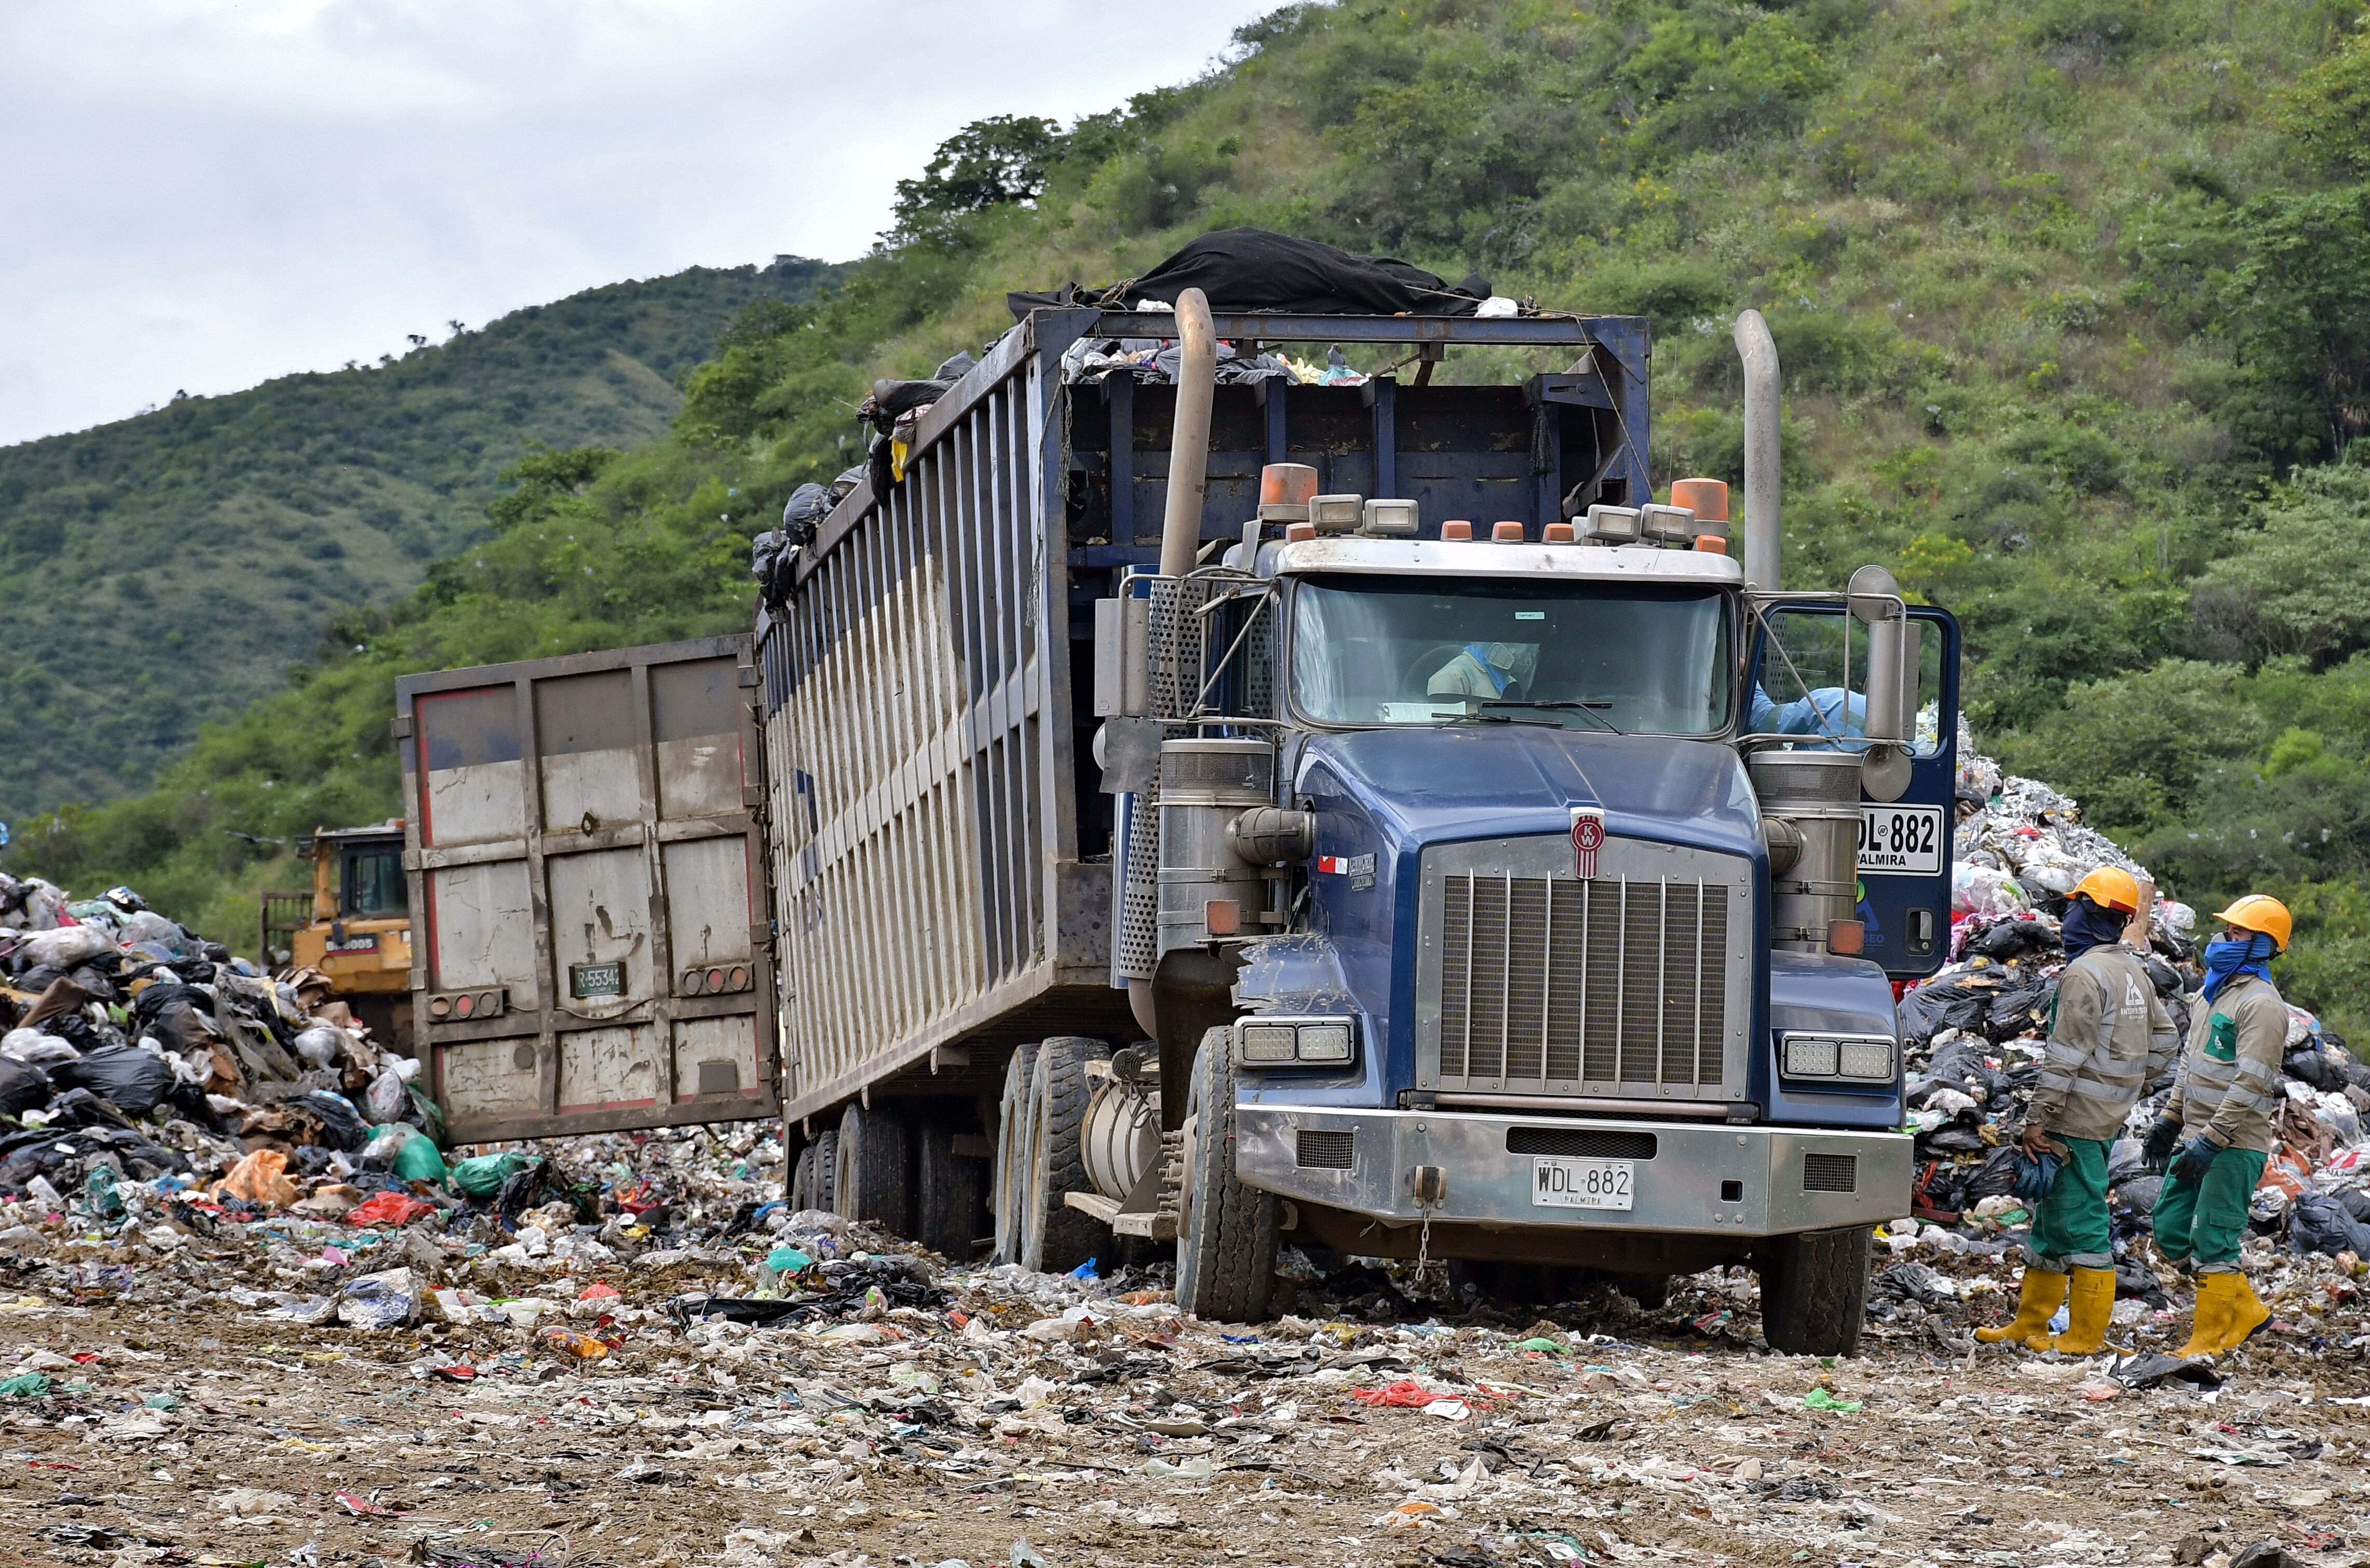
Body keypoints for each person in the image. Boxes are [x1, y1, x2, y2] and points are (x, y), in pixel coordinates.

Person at [1975, 867, 2175, 1352]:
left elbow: (2064, 1058)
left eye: (2074, 909)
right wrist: (2130, 1085)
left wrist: (2037, 1120)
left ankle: (2086, 1336)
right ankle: (2030, 1323)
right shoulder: (2133, 969)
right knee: (2049, 1224)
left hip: (2075, 1118)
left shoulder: (2084, 973)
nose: (2067, 920)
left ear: (2090, 913)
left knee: (2083, 1221)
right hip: (2104, 1114)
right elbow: (2167, 1040)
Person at [2143, 894, 2292, 1358]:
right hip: (2195, 1136)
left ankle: (2207, 1336)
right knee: (2168, 1228)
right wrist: (2170, 1118)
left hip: (2232, 1143)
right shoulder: (2215, 992)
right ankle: (2243, 1307)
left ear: (2264, 944)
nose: (2227, 938)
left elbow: (2251, 1082)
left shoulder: (2263, 1005)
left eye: (2240, 932)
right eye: (2229, 930)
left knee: (2213, 1238)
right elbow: (2190, 1064)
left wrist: (2213, 1138)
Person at [1427, 640, 1538, 701]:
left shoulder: (1509, 682)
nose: (1524, 655)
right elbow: (1442, 734)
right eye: (1519, 643)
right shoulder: (1453, 677)